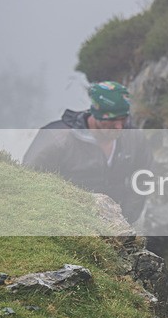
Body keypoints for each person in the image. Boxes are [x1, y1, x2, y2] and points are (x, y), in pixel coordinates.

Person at [23, 81, 152, 223]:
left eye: (123, 118)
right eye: (112, 120)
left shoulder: (134, 138)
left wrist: (127, 218)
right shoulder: (57, 139)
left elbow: (143, 177)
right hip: (64, 225)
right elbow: (28, 183)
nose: (119, 126)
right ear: (96, 114)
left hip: (115, 228)